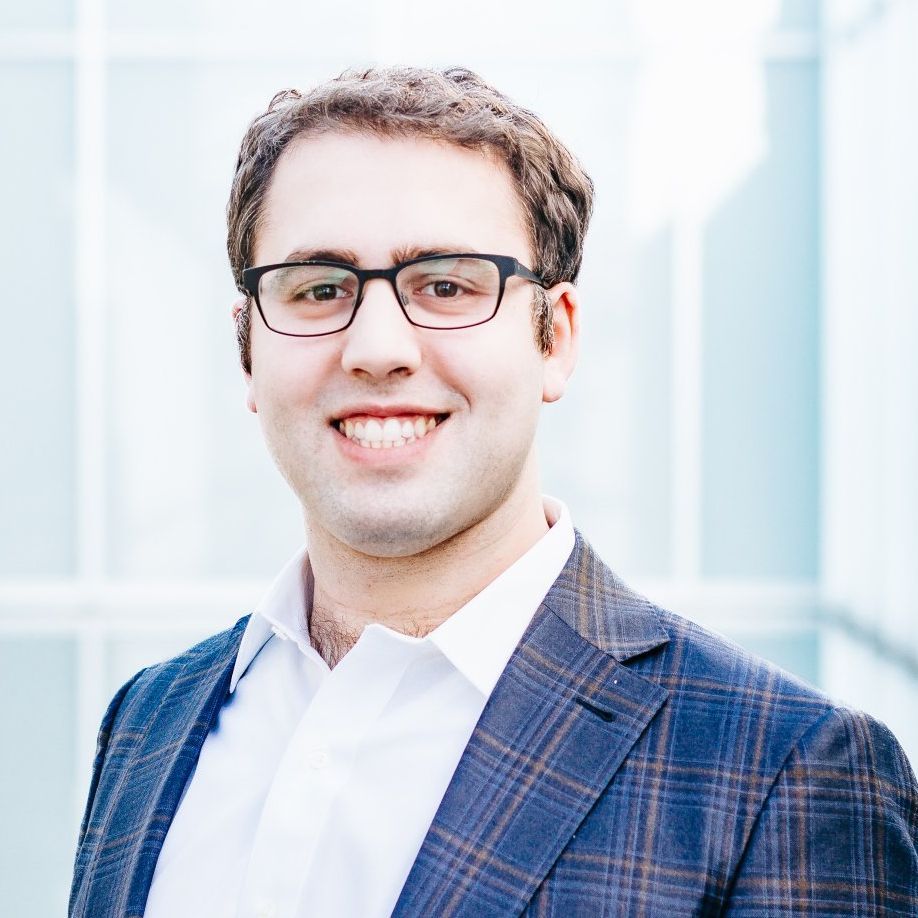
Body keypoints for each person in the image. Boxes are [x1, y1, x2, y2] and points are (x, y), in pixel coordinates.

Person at [70, 66, 918, 917]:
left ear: (557, 339)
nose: (377, 348)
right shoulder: (149, 721)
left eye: (446, 286)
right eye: (319, 288)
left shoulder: (786, 773)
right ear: (248, 350)